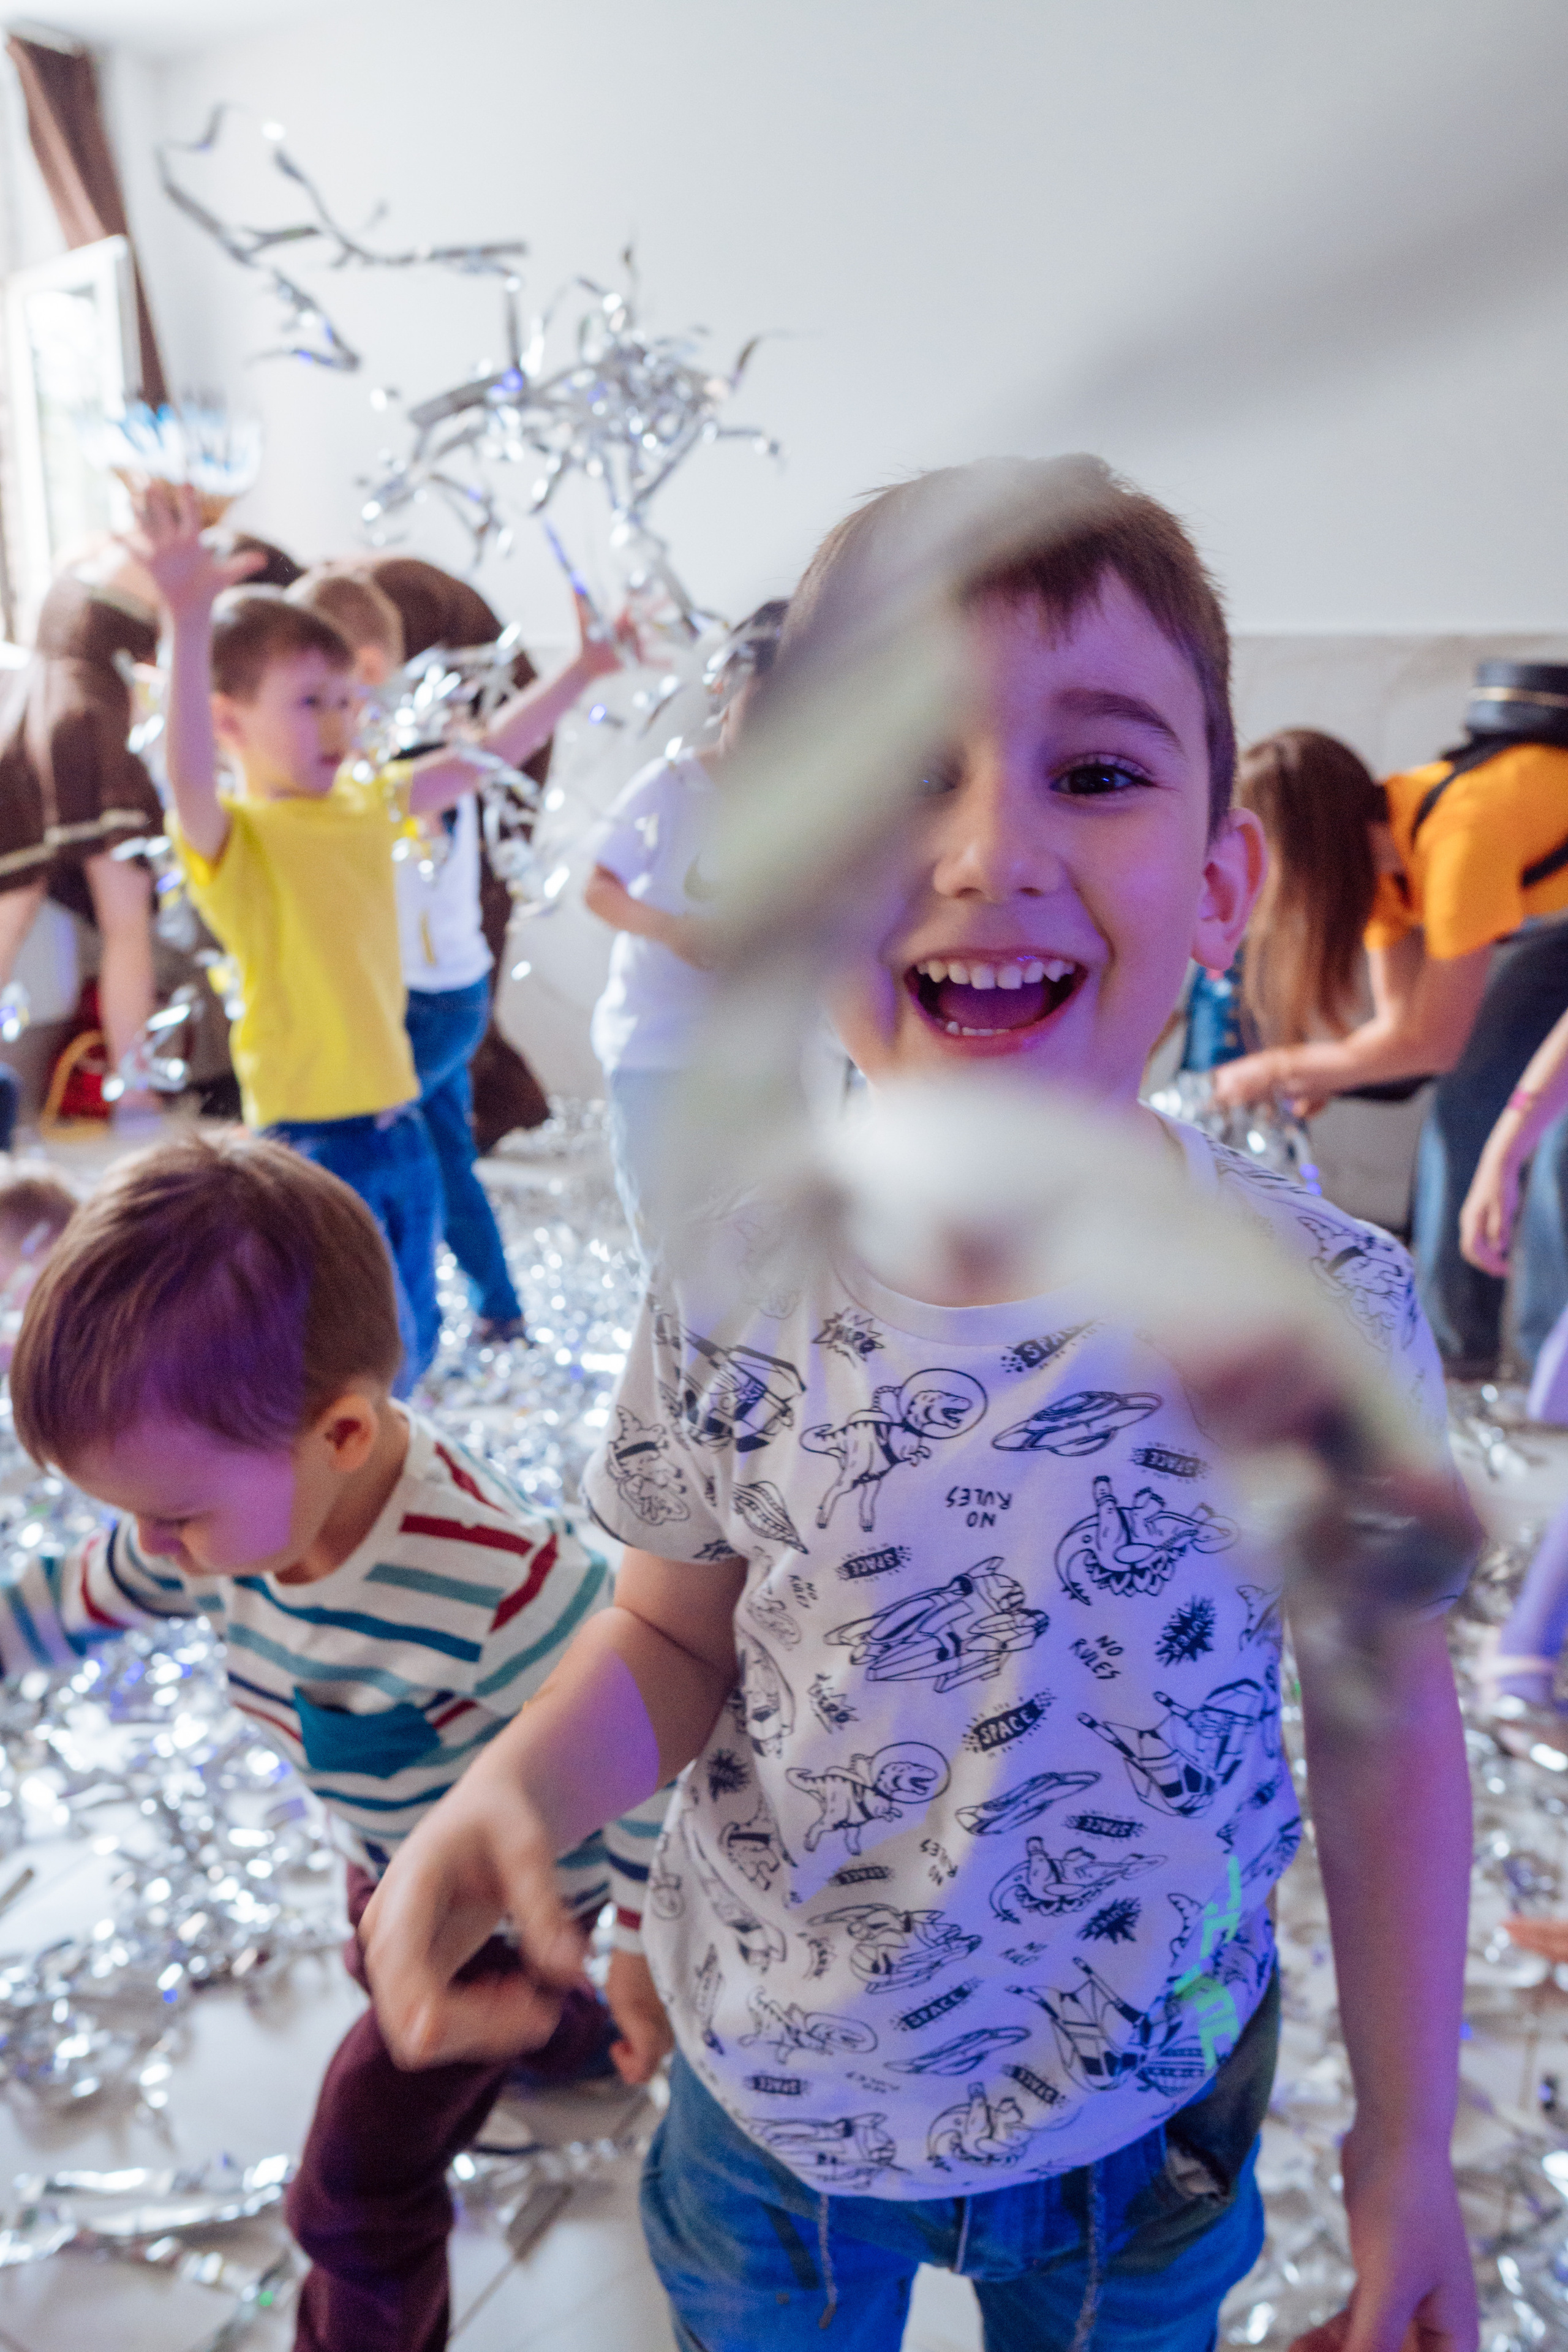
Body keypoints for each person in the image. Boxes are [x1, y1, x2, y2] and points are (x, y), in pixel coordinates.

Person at [358, 459, 1480, 2352]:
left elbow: (1383, 1745)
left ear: (1220, 885)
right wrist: (510, 1790)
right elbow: (669, 1633)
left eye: (1097, 772)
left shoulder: (1323, 1310)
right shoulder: (727, 1270)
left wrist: (1404, 2144)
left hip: (1148, 2114)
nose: (984, 853)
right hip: (772, 2103)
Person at [0, 1133, 672, 2352]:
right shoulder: (215, 1527)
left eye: (172, 1517)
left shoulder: (503, 1587)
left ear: (346, 1436)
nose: (150, 1549)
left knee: (354, 2195)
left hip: (495, 1915)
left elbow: (638, 1760)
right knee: (380, 1951)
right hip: (383, 1846)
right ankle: (563, 2039)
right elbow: (80, 1592)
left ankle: (550, 2022)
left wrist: (632, 1946)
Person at [126, 484, 617, 1388]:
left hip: (395, 1122)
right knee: (326, 1346)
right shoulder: (238, 840)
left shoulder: (367, 800)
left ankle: (401, 1451)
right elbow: (186, 766)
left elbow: (483, 758)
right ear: (233, 721)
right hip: (309, 1142)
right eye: (310, 701)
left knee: (408, 1334)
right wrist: (186, 622)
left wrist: (581, 673)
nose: (341, 722)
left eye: (349, 700)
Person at [1215, 665, 1568, 1378]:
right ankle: (1450, 1358)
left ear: (1306, 848)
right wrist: (1326, 1073)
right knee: (1466, 1106)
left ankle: (1546, 1381)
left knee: (1552, 1137)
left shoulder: (1458, 841)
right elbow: (1401, 1037)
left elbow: (1432, 1043)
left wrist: (1279, 1068)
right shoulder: (1381, 871)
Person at [289, 567, 529, 1345]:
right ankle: (497, 1307)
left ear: (360, 672)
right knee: (444, 1151)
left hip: (428, 1002)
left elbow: (406, 838)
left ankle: (399, 1321)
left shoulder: (410, 757)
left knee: (370, 1141)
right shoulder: (396, 754)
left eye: (313, 687)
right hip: (434, 993)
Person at [0, 527, 300, 1124]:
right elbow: (180, 669)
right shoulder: (182, 572)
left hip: (29, 719)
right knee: (125, 922)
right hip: (90, 725)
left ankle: (133, 1089)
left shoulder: (92, 556)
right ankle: (135, 1093)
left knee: (12, 913)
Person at [584, 600, 789, 1238]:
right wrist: (673, 931)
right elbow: (596, 887)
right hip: (653, 1052)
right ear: (725, 692)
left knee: (754, 1229)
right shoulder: (669, 786)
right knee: (666, 1229)